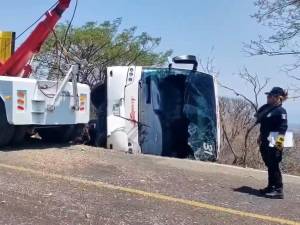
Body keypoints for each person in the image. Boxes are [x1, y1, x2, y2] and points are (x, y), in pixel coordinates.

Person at [256, 87, 288, 199]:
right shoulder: (268, 109)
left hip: (274, 143)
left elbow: (283, 129)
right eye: (268, 96)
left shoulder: (281, 111)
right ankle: (271, 186)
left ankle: (279, 189)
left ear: (278, 98)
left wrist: (279, 146)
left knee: (274, 165)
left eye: (270, 96)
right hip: (265, 141)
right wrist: (260, 136)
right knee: (269, 164)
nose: (268, 98)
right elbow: (264, 126)